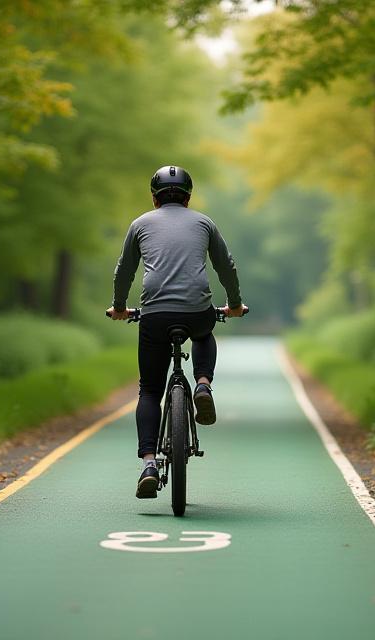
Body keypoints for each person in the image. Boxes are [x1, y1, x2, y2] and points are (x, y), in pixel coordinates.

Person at [107, 165, 247, 499]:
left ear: (154, 197)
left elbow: (124, 270)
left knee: (150, 390)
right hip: (197, 310)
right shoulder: (204, 223)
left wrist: (120, 306)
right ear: (188, 197)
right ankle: (202, 384)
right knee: (203, 332)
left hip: (154, 314)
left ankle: (149, 463)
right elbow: (225, 265)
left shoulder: (140, 224)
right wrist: (236, 303)